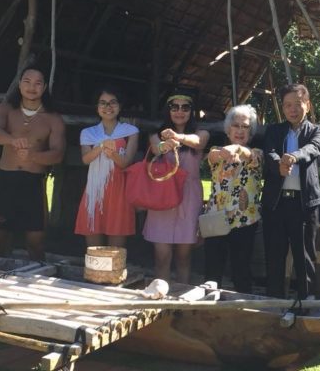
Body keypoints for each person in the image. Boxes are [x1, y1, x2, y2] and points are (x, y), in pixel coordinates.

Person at [0, 66, 66, 260]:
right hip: (6, 178)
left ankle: (37, 282)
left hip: (34, 181)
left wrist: (33, 156)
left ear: (45, 87)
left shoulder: (53, 119)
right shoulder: (6, 109)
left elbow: (58, 154)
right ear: (19, 84)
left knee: (36, 244)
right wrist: (11, 140)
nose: (32, 87)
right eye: (27, 81)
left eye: (38, 83)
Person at [261, 83, 320, 301]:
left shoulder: (317, 130)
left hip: (304, 205)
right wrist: (279, 162)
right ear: (283, 108)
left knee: (305, 256)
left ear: (307, 105)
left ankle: (306, 303)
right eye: (287, 105)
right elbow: (268, 153)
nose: (292, 109)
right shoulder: (274, 130)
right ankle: (274, 302)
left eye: (297, 104)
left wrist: (294, 156)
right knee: (274, 255)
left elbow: (314, 148)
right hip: (276, 205)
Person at [143, 91, 209, 283]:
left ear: (191, 111)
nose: (180, 111)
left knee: (184, 256)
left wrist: (177, 137)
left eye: (185, 107)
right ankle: (159, 299)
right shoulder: (155, 134)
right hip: (162, 197)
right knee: (162, 256)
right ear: (168, 110)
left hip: (188, 198)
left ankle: (180, 302)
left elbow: (198, 143)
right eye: (175, 107)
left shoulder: (201, 133)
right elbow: (157, 149)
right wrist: (166, 143)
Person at [203, 104, 263, 294]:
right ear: (228, 130)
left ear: (251, 131)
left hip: (244, 220)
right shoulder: (216, 151)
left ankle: (241, 308)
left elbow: (249, 156)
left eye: (245, 127)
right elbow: (211, 157)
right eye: (235, 126)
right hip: (216, 217)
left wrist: (237, 148)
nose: (239, 130)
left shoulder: (256, 153)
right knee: (212, 270)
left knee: (241, 270)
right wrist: (224, 152)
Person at [74, 87, 139, 247]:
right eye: (102, 103)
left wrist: (113, 154)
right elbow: (86, 159)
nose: (108, 107)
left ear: (120, 106)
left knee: (115, 252)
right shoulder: (88, 133)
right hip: (93, 193)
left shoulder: (130, 131)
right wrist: (102, 146)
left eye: (112, 102)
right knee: (93, 250)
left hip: (119, 193)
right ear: (96, 107)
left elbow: (125, 163)